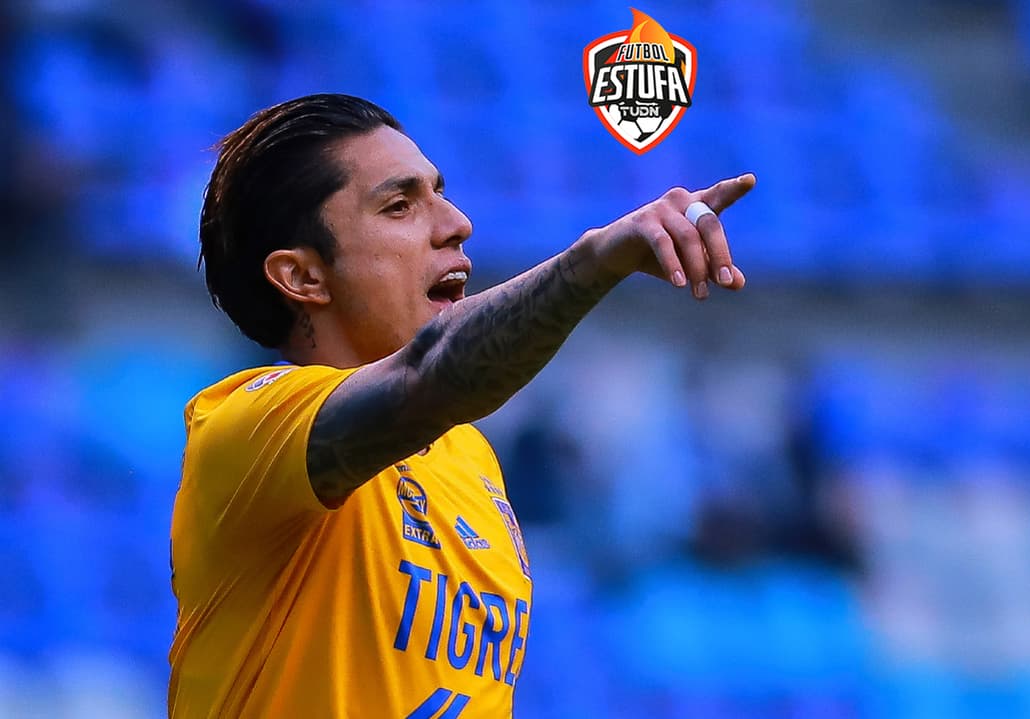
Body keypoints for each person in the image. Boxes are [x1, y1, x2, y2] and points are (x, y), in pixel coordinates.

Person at [167, 93, 755, 718]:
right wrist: (592, 263)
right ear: (303, 277)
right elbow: (432, 372)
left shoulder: (468, 457)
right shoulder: (247, 427)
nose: (457, 223)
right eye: (399, 206)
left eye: (439, 194)